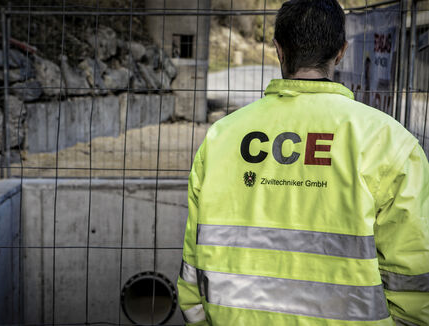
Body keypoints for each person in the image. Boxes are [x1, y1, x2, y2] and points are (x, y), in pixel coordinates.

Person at [176, 0, 429, 325]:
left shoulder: (221, 137)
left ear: (279, 50)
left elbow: (192, 266)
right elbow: (414, 277)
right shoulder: (390, 142)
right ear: (341, 52)